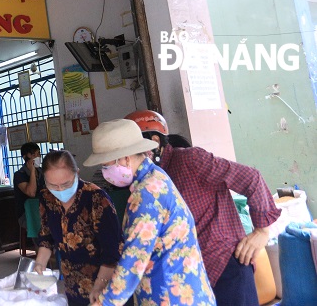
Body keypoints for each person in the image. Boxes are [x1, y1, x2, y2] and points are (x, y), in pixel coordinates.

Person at [125, 110, 281, 306]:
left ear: (155, 142)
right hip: (191, 281)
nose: (127, 160)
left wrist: (262, 231)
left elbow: (251, 178)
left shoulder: (189, 160)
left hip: (226, 266)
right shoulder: (146, 183)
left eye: (132, 151)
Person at [85, 119, 216, 306]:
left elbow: (134, 258)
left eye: (106, 164)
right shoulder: (155, 177)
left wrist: (105, 303)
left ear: (125, 158)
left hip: (173, 297)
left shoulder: (147, 194)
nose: (105, 171)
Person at [33, 150, 122, 306]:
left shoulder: (96, 198)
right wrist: (39, 265)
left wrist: (100, 284)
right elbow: (46, 237)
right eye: (53, 185)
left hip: (104, 280)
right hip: (72, 282)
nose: (60, 190)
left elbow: (112, 250)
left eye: (66, 184)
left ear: (77, 174)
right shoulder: (46, 198)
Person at [13, 142, 45, 228]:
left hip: (42, 209)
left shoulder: (42, 172)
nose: (37, 157)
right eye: (33, 155)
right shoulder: (19, 175)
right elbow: (31, 193)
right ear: (25, 157)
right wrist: (32, 172)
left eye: (38, 154)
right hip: (27, 214)